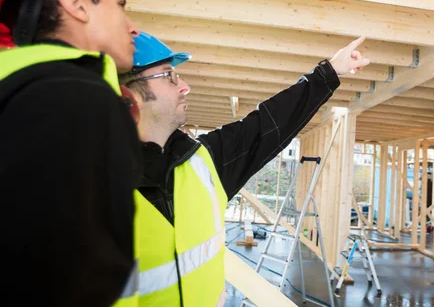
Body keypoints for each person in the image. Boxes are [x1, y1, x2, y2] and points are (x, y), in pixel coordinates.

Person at [120, 31, 370, 306]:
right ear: (128, 95)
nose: (184, 86)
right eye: (169, 76)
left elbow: (269, 124)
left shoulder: (201, 161)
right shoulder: (89, 188)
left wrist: (330, 71)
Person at [0, 0, 142, 307]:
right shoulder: (74, 97)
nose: (133, 27)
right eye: (120, 5)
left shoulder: (19, 86)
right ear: (76, 4)